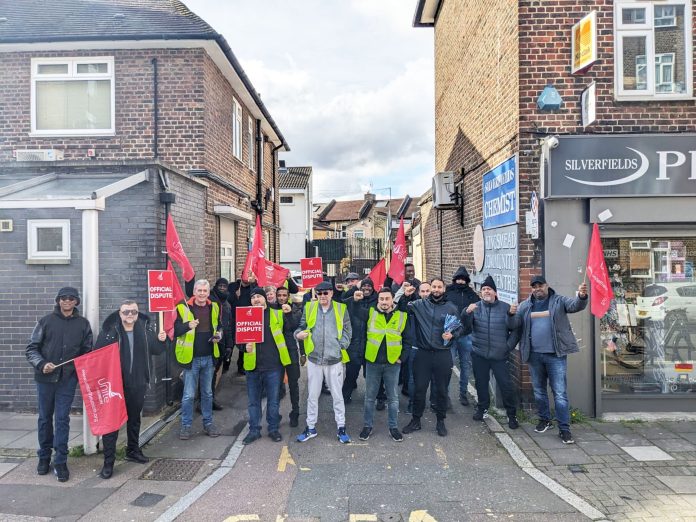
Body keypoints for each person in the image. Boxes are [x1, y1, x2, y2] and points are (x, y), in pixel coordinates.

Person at [26, 287, 93, 482]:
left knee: (62, 419)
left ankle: (61, 461)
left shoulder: (83, 324)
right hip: (45, 380)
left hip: (67, 380)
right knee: (45, 418)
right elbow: (31, 349)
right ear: (58, 301)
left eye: (71, 298)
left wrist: (76, 369)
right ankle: (44, 457)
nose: (67, 301)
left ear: (76, 302)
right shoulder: (46, 322)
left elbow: (87, 351)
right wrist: (41, 364)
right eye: (63, 298)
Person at [94, 300, 167, 479]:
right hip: (115, 385)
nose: (130, 315)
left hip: (138, 383)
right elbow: (97, 354)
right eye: (126, 312)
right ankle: (108, 462)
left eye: (133, 312)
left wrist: (163, 339)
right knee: (112, 424)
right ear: (120, 313)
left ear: (137, 313)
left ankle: (133, 450)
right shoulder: (111, 331)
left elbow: (158, 350)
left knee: (134, 420)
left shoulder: (144, 329)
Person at [515, 275, 588, 444]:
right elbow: (514, 323)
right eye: (534, 286)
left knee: (560, 394)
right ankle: (544, 419)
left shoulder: (559, 301)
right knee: (539, 391)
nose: (537, 289)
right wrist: (509, 315)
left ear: (547, 285)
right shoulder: (525, 306)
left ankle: (564, 429)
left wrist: (582, 296)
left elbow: (576, 305)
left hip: (556, 355)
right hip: (534, 356)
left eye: (540, 285)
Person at [400, 278, 462, 436]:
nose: (435, 289)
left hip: (442, 354)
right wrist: (406, 296)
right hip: (423, 354)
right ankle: (416, 420)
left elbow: (460, 327)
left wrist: (452, 335)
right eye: (433, 287)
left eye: (439, 287)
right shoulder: (420, 305)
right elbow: (401, 310)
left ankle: (440, 421)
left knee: (441, 390)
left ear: (444, 289)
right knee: (419, 389)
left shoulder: (451, 307)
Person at [295, 281, 352, 444]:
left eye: (325, 293)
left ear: (332, 293)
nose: (322, 296)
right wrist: (298, 335)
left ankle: (341, 427)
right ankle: (310, 427)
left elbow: (348, 330)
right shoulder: (309, 307)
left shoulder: (341, 309)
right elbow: (301, 326)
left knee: (337, 395)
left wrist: (341, 345)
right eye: (319, 293)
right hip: (314, 358)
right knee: (312, 395)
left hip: (334, 359)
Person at [354, 287, 414, 442]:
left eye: (387, 299)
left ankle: (393, 428)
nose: (384, 302)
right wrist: (355, 299)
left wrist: (402, 357)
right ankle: (367, 426)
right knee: (369, 397)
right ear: (378, 300)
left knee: (393, 398)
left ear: (392, 300)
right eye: (381, 299)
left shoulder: (402, 316)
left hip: (393, 363)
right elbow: (355, 310)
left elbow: (408, 340)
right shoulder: (370, 313)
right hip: (372, 362)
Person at [462, 276, 520, 429]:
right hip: (479, 353)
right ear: (480, 293)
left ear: (495, 292)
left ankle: (511, 415)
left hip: (499, 355)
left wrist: (507, 346)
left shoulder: (505, 308)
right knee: (481, 384)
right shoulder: (475, 307)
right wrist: (466, 313)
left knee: (505, 385)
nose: (486, 291)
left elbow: (515, 329)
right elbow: (466, 327)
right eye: (483, 289)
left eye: (489, 289)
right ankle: (482, 409)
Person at [242, 288, 294, 444]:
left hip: (273, 366)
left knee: (273, 400)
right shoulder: (245, 316)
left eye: (259, 296)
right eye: (253, 297)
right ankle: (254, 430)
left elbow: (290, 329)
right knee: (253, 401)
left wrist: (290, 313)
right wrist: (244, 347)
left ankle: (273, 429)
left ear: (265, 298)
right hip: (253, 366)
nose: (256, 299)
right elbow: (238, 339)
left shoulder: (277, 313)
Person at [174, 279, 222, 440]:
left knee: (207, 394)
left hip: (208, 357)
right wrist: (188, 325)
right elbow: (174, 331)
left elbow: (219, 326)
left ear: (208, 293)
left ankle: (208, 424)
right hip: (191, 359)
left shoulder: (214, 306)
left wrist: (219, 335)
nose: (202, 293)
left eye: (205, 291)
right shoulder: (183, 307)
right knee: (188, 395)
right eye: (199, 290)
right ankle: (185, 426)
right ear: (194, 292)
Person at [445, 266, 480, 406]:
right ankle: (445, 396)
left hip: (466, 334)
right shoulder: (447, 292)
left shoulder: (472, 295)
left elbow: (479, 309)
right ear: (454, 279)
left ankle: (463, 394)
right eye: (458, 279)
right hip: (451, 335)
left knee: (465, 366)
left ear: (467, 280)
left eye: (463, 279)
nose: (460, 281)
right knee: (448, 365)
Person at [342, 276, 377, 404]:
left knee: (372, 375)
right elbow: (341, 301)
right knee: (351, 373)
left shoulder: (377, 301)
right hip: (354, 343)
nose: (366, 288)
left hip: (371, 344)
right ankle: (345, 396)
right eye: (364, 286)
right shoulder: (353, 299)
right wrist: (354, 293)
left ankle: (377, 397)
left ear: (373, 289)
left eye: (369, 286)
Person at [275, 285, 303, 427]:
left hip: (291, 349)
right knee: (276, 384)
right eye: (279, 295)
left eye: (284, 295)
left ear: (288, 297)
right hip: (275, 352)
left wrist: (288, 313)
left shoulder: (296, 309)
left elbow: (295, 326)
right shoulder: (272, 309)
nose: (281, 298)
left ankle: (295, 412)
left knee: (293, 383)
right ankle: (275, 415)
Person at [208, 278, 235, 409]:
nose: (223, 288)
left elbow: (228, 326)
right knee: (209, 375)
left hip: (222, 343)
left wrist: (230, 345)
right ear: (216, 286)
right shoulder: (210, 301)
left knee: (215, 373)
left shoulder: (227, 304)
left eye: (225, 286)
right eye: (220, 286)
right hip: (211, 343)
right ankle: (205, 402)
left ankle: (211, 399)